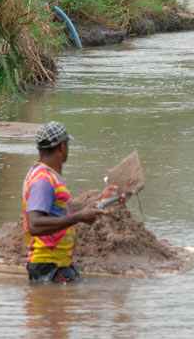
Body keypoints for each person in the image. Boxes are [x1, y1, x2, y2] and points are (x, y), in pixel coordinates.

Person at [22, 121, 122, 283]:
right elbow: (35, 224)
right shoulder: (43, 180)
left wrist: (102, 199)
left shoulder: (49, 176)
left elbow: (61, 210)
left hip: (56, 264)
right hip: (48, 265)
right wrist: (79, 217)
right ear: (62, 147)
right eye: (67, 145)